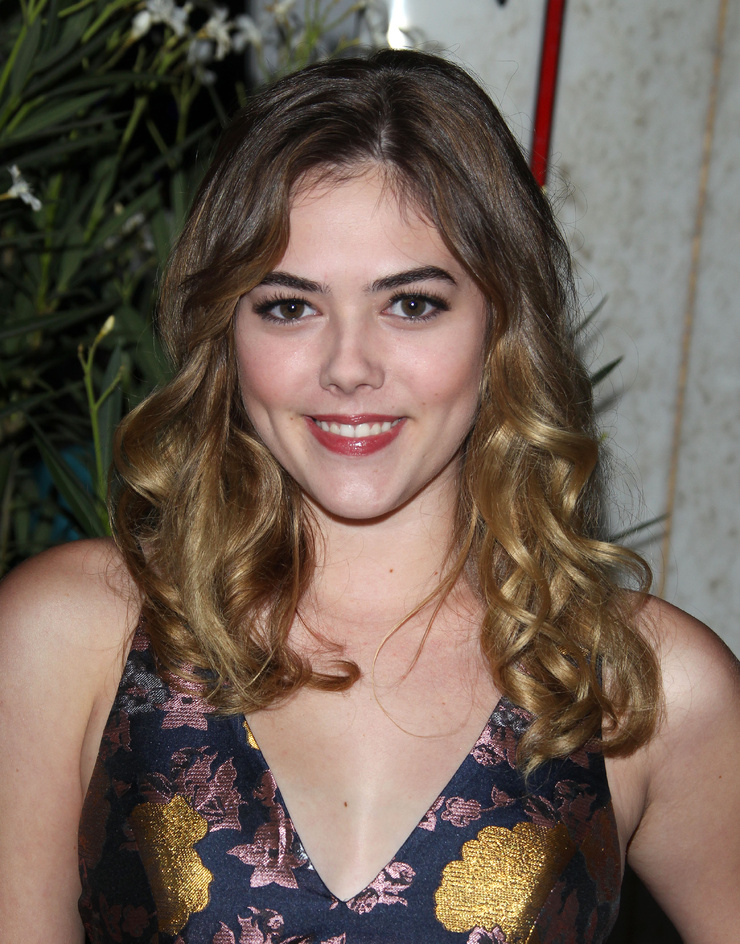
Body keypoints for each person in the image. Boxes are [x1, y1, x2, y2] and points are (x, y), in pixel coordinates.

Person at [0, 49, 738, 944]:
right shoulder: (71, 635)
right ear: (224, 333)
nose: (348, 367)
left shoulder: (643, 687)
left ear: (503, 326)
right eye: (289, 306)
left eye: (412, 304)